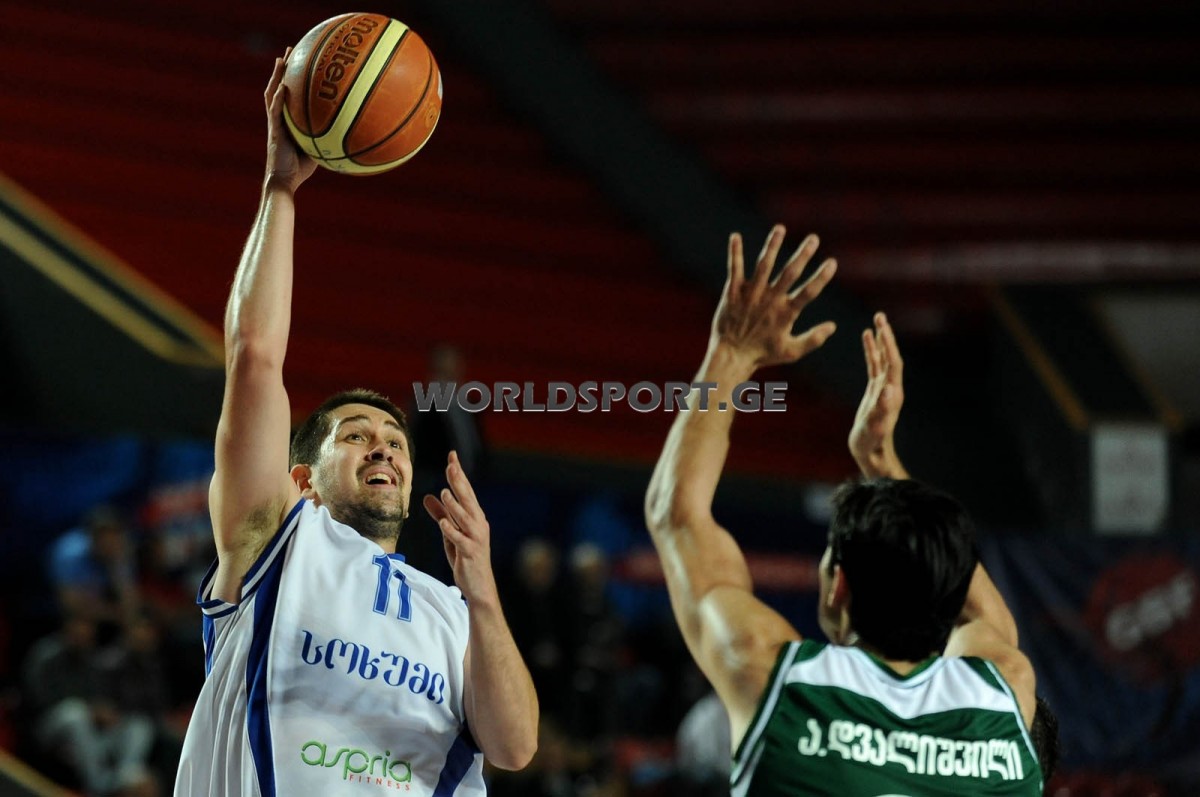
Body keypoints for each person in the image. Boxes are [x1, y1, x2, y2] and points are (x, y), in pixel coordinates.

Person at [173, 52, 538, 796]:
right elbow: (255, 359)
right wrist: (280, 188)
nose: (385, 449)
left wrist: (482, 592)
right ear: (302, 478)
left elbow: (514, 745)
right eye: (357, 436)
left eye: (396, 442)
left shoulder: (450, 609)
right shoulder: (277, 539)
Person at [644, 226, 1044, 795]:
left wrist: (731, 353)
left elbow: (676, 515)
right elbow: (981, 612)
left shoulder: (773, 677)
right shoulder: (1003, 692)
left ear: (839, 587)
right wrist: (883, 463)